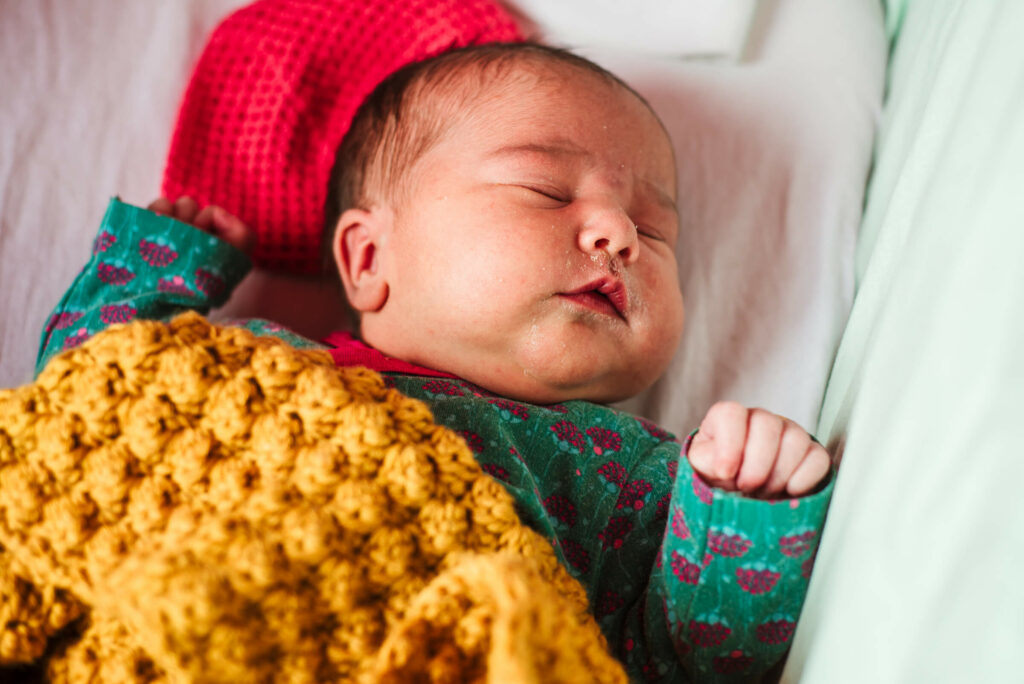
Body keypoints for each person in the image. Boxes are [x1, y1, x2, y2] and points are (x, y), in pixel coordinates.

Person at [38, 43, 832, 682]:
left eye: (655, 233)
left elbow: (682, 658)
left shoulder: (637, 476)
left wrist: (739, 510)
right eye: (547, 190)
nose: (619, 235)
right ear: (370, 256)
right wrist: (149, 271)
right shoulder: (255, 366)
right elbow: (79, 406)